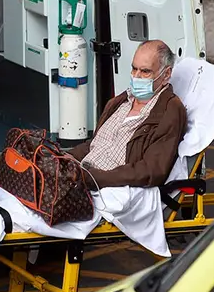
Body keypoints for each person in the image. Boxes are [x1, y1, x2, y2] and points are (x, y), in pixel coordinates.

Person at [69, 39, 187, 189]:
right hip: (83, 177)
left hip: (108, 188)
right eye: (134, 69)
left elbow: (151, 171)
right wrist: (64, 158)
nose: (136, 76)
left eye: (145, 71)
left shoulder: (170, 111)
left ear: (166, 74)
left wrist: (93, 178)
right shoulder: (120, 102)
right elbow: (95, 145)